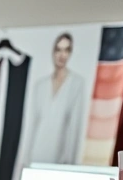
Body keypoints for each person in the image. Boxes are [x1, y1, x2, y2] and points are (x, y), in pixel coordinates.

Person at [22, 32, 87, 166]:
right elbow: (33, 123)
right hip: (36, 152)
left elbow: (74, 126)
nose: (62, 55)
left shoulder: (76, 83)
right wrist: (25, 158)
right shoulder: (41, 85)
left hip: (59, 156)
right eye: (58, 49)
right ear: (53, 52)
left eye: (66, 50)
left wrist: (70, 162)